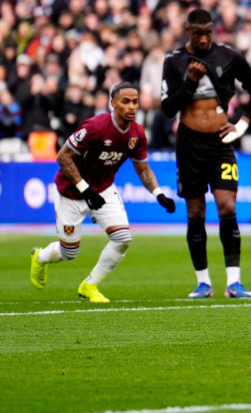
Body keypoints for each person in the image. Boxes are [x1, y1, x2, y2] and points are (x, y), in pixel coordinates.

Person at [29, 82, 176, 302]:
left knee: (123, 238)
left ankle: (89, 285)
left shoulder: (137, 134)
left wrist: (158, 193)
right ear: (113, 103)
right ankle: (39, 257)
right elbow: (63, 157)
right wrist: (84, 189)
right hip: (72, 191)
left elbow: (143, 168)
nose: (131, 106)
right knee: (69, 253)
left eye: (135, 101)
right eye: (125, 101)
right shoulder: (95, 127)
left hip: (104, 188)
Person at [161, 8, 251, 298]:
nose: (205, 38)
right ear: (188, 32)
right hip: (189, 144)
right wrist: (190, 83)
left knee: (227, 207)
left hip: (221, 143)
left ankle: (234, 282)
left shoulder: (228, 56)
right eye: (198, 33)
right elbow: (168, 108)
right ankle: (203, 282)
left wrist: (243, 125)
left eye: (209, 32)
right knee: (195, 211)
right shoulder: (174, 61)